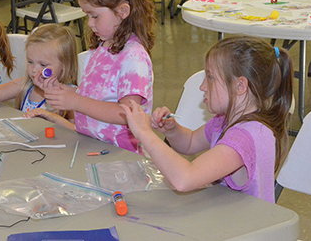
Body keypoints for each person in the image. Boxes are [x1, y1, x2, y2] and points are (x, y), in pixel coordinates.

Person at [121, 35, 293, 203]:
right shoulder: (225, 121)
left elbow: (184, 179)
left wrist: (144, 133)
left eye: (210, 78)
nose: (202, 87)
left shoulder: (245, 137)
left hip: (245, 228)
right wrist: (172, 130)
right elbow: (189, 143)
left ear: (240, 86)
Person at [26, 0, 156, 155]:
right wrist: (59, 92)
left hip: (120, 155)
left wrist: (76, 101)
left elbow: (128, 113)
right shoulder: (103, 47)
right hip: (92, 145)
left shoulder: (134, 57)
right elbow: (96, 97)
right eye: (87, 15)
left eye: (95, 16)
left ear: (122, 12)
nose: (90, 24)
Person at [0, 24, 77, 121]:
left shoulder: (72, 95)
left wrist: (55, 118)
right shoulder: (25, 85)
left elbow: (76, 131)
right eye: (30, 62)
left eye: (43, 65)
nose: (34, 69)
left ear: (65, 65)